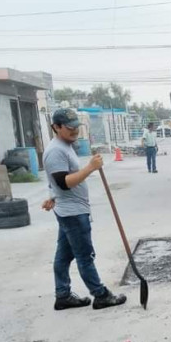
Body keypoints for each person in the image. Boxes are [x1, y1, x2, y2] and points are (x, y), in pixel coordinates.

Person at [42, 108, 126, 311]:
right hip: (73, 213)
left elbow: (56, 181)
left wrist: (53, 196)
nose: (74, 131)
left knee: (64, 256)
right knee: (85, 256)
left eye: (76, 127)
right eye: (69, 127)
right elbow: (63, 183)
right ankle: (101, 295)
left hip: (69, 210)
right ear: (56, 127)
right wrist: (90, 167)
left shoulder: (65, 146)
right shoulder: (55, 151)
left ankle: (62, 295)